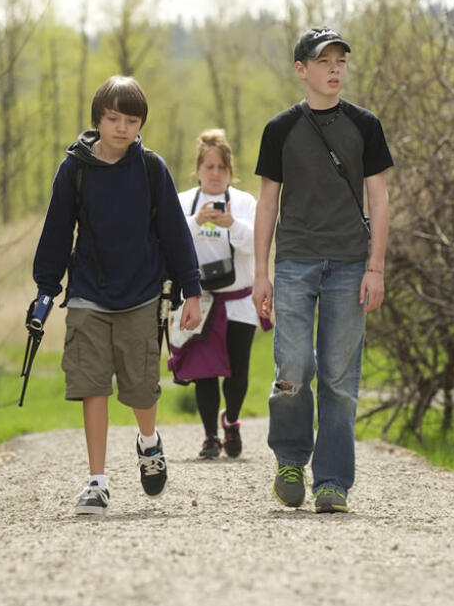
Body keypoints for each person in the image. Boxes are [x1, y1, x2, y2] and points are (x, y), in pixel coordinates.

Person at [32, 75, 203, 516]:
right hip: (89, 291)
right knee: (92, 384)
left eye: (131, 120)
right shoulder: (74, 170)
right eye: (113, 119)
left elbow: (175, 233)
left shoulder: (151, 169)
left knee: (141, 388)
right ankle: (97, 481)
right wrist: (45, 291)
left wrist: (192, 289)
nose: (122, 128)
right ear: (98, 121)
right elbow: (56, 232)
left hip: (143, 293)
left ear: (140, 123)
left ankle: (149, 443)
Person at [251, 26, 393, 514]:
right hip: (293, 263)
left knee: (338, 378)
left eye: (341, 61)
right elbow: (267, 204)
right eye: (325, 61)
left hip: (350, 265)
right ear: (301, 69)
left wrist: (375, 267)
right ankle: (289, 460)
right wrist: (260, 272)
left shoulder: (365, 125)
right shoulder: (279, 130)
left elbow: (379, 196)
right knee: (293, 367)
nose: (335, 69)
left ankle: (332, 482)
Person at [168, 129, 268, 460]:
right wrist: (198, 222)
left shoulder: (244, 203)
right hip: (201, 301)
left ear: (230, 171)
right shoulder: (183, 203)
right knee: (205, 372)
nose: (215, 174)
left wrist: (231, 224)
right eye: (208, 167)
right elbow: (171, 244)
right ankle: (210, 435)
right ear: (198, 169)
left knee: (238, 371)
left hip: (239, 300)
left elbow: (257, 243)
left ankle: (232, 420)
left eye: (221, 168)